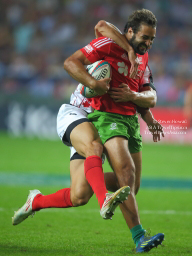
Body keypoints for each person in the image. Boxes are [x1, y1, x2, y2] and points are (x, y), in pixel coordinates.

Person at [12, 9, 164, 253]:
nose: (149, 43)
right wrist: (93, 83)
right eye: (145, 37)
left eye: (152, 39)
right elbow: (100, 28)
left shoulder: (142, 59)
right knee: (102, 154)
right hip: (77, 113)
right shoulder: (109, 44)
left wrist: (148, 115)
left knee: (81, 194)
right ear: (130, 32)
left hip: (98, 119)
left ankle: (36, 201)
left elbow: (144, 94)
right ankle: (124, 220)